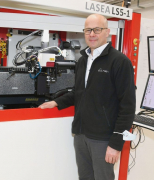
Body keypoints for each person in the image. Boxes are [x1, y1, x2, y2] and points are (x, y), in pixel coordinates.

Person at [39, 14, 136, 180]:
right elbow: (79, 92)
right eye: (88, 30)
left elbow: (127, 106)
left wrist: (116, 144)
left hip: (103, 139)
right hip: (81, 135)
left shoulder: (119, 62)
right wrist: (56, 102)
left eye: (97, 29)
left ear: (107, 32)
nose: (92, 34)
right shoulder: (83, 60)